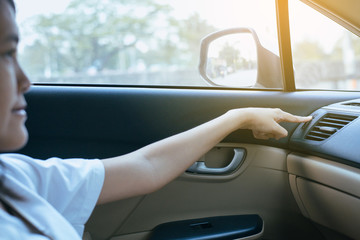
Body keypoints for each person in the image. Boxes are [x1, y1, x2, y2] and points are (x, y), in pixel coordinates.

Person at [0, 0, 312, 239]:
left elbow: (145, 168)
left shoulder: (15, 178)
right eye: (6, 54)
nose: (26, 80)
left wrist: (238, 116)